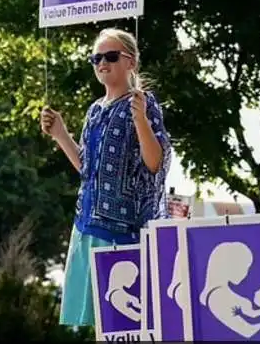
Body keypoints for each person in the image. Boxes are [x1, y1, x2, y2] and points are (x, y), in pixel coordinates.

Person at [40, 28, 171, 326]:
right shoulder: (94, 110)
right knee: (94, 322)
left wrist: (140, 119)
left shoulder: (143, 103)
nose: (102, 62)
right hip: (86, 224)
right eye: (96, 58)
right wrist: (60, 133)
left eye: (111, 56)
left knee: (121, 322)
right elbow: (87, 169)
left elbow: (155, 164)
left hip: (121, 229)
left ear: (131, 62)